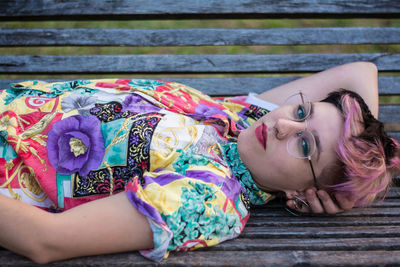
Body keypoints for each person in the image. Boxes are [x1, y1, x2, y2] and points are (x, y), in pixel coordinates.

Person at [0, 62, 398, 263]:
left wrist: (347, 183)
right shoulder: (240, 119)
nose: (281, 125)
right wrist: (375, 162)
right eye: (301, 112)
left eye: (306, 147)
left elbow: (45, 241)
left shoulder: (211, 198)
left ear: (300, 193)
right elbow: (362, 73)